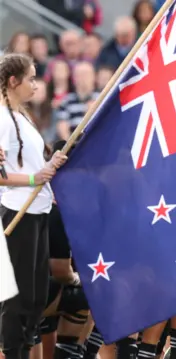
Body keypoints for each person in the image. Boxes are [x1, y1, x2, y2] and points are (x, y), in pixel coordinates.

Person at [0, 53, 67, 359]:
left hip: (38, 211)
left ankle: (24, 349)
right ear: (13, 82)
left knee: (38, 295)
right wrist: (35, 177)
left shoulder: (23, 115)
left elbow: (32, 162)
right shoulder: (2, 118)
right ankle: (11, 352)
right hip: (18, 212)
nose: (36, 85)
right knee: (18, 298)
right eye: (31, 78)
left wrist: (49, 164)